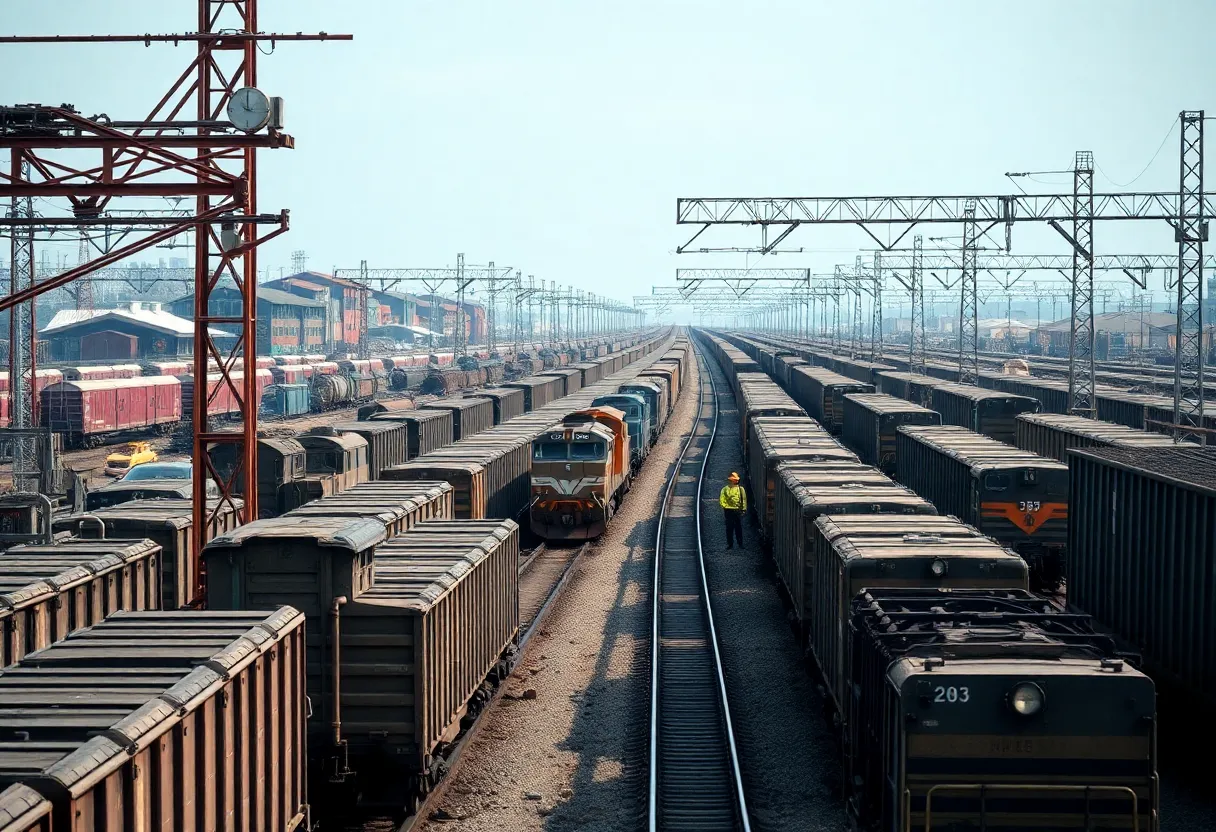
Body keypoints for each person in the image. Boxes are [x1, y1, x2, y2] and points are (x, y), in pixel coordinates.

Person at [719, 472, 746, 549]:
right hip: (730, 510)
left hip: (734, 511)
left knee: (735, 528)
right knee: (731, 528)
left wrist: (743, 509)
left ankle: (736, 544)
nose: (735, 481)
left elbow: (743, 500)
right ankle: (733, 544)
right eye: (734, 480)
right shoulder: (726, 489)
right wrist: (725, 506)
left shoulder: (740, 489)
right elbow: (722, 499)